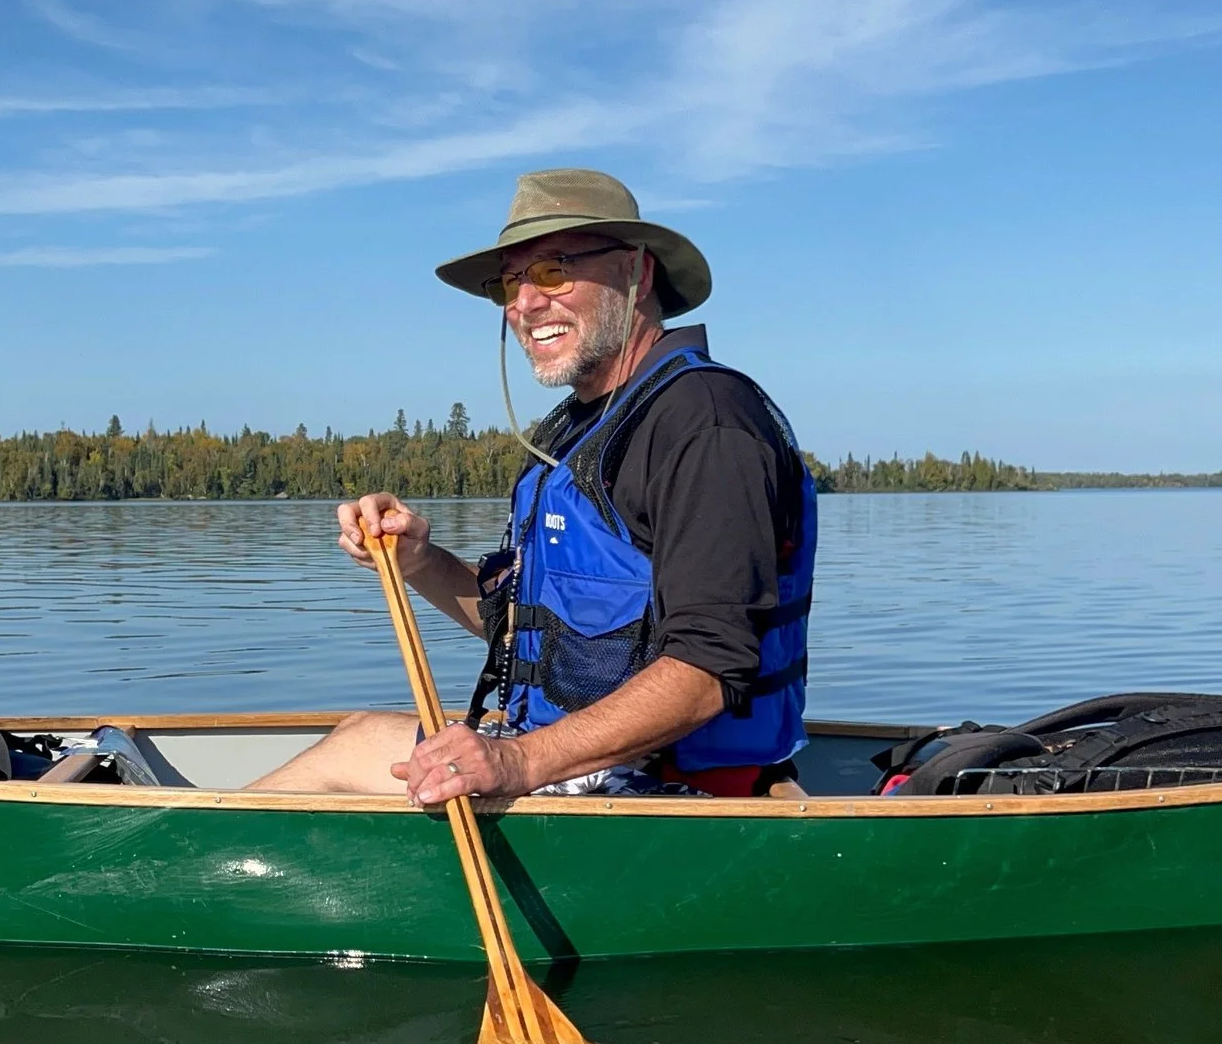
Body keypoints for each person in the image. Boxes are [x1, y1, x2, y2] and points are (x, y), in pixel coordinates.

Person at [249, 168, 815, 802]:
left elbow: (708, 670)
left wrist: (514, 762)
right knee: (359, 732)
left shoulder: (703, 421)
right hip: (575, 757)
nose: (524, 304)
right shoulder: (582, 426)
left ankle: (173, 871)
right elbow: (529, 631)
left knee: (355, 750)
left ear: (636, 272)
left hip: (676, 793)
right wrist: (420, 561)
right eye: (511, 282)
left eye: (553, 271)